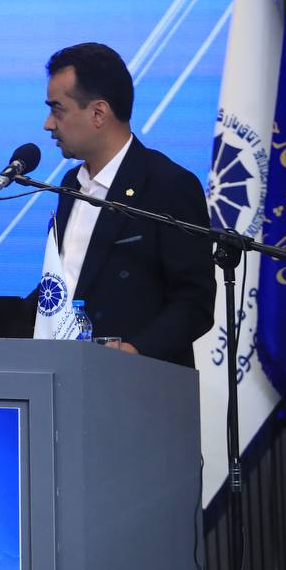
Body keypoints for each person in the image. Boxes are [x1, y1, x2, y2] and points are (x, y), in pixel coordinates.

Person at [41, 42, 215, 367]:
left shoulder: (167, 185)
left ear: (98, 113)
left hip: (137, 383)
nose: (48, 124)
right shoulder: (70, 185)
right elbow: (68, 283)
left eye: (57, 109)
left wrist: (135, 351)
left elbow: (194, 302)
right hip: (66, 375)